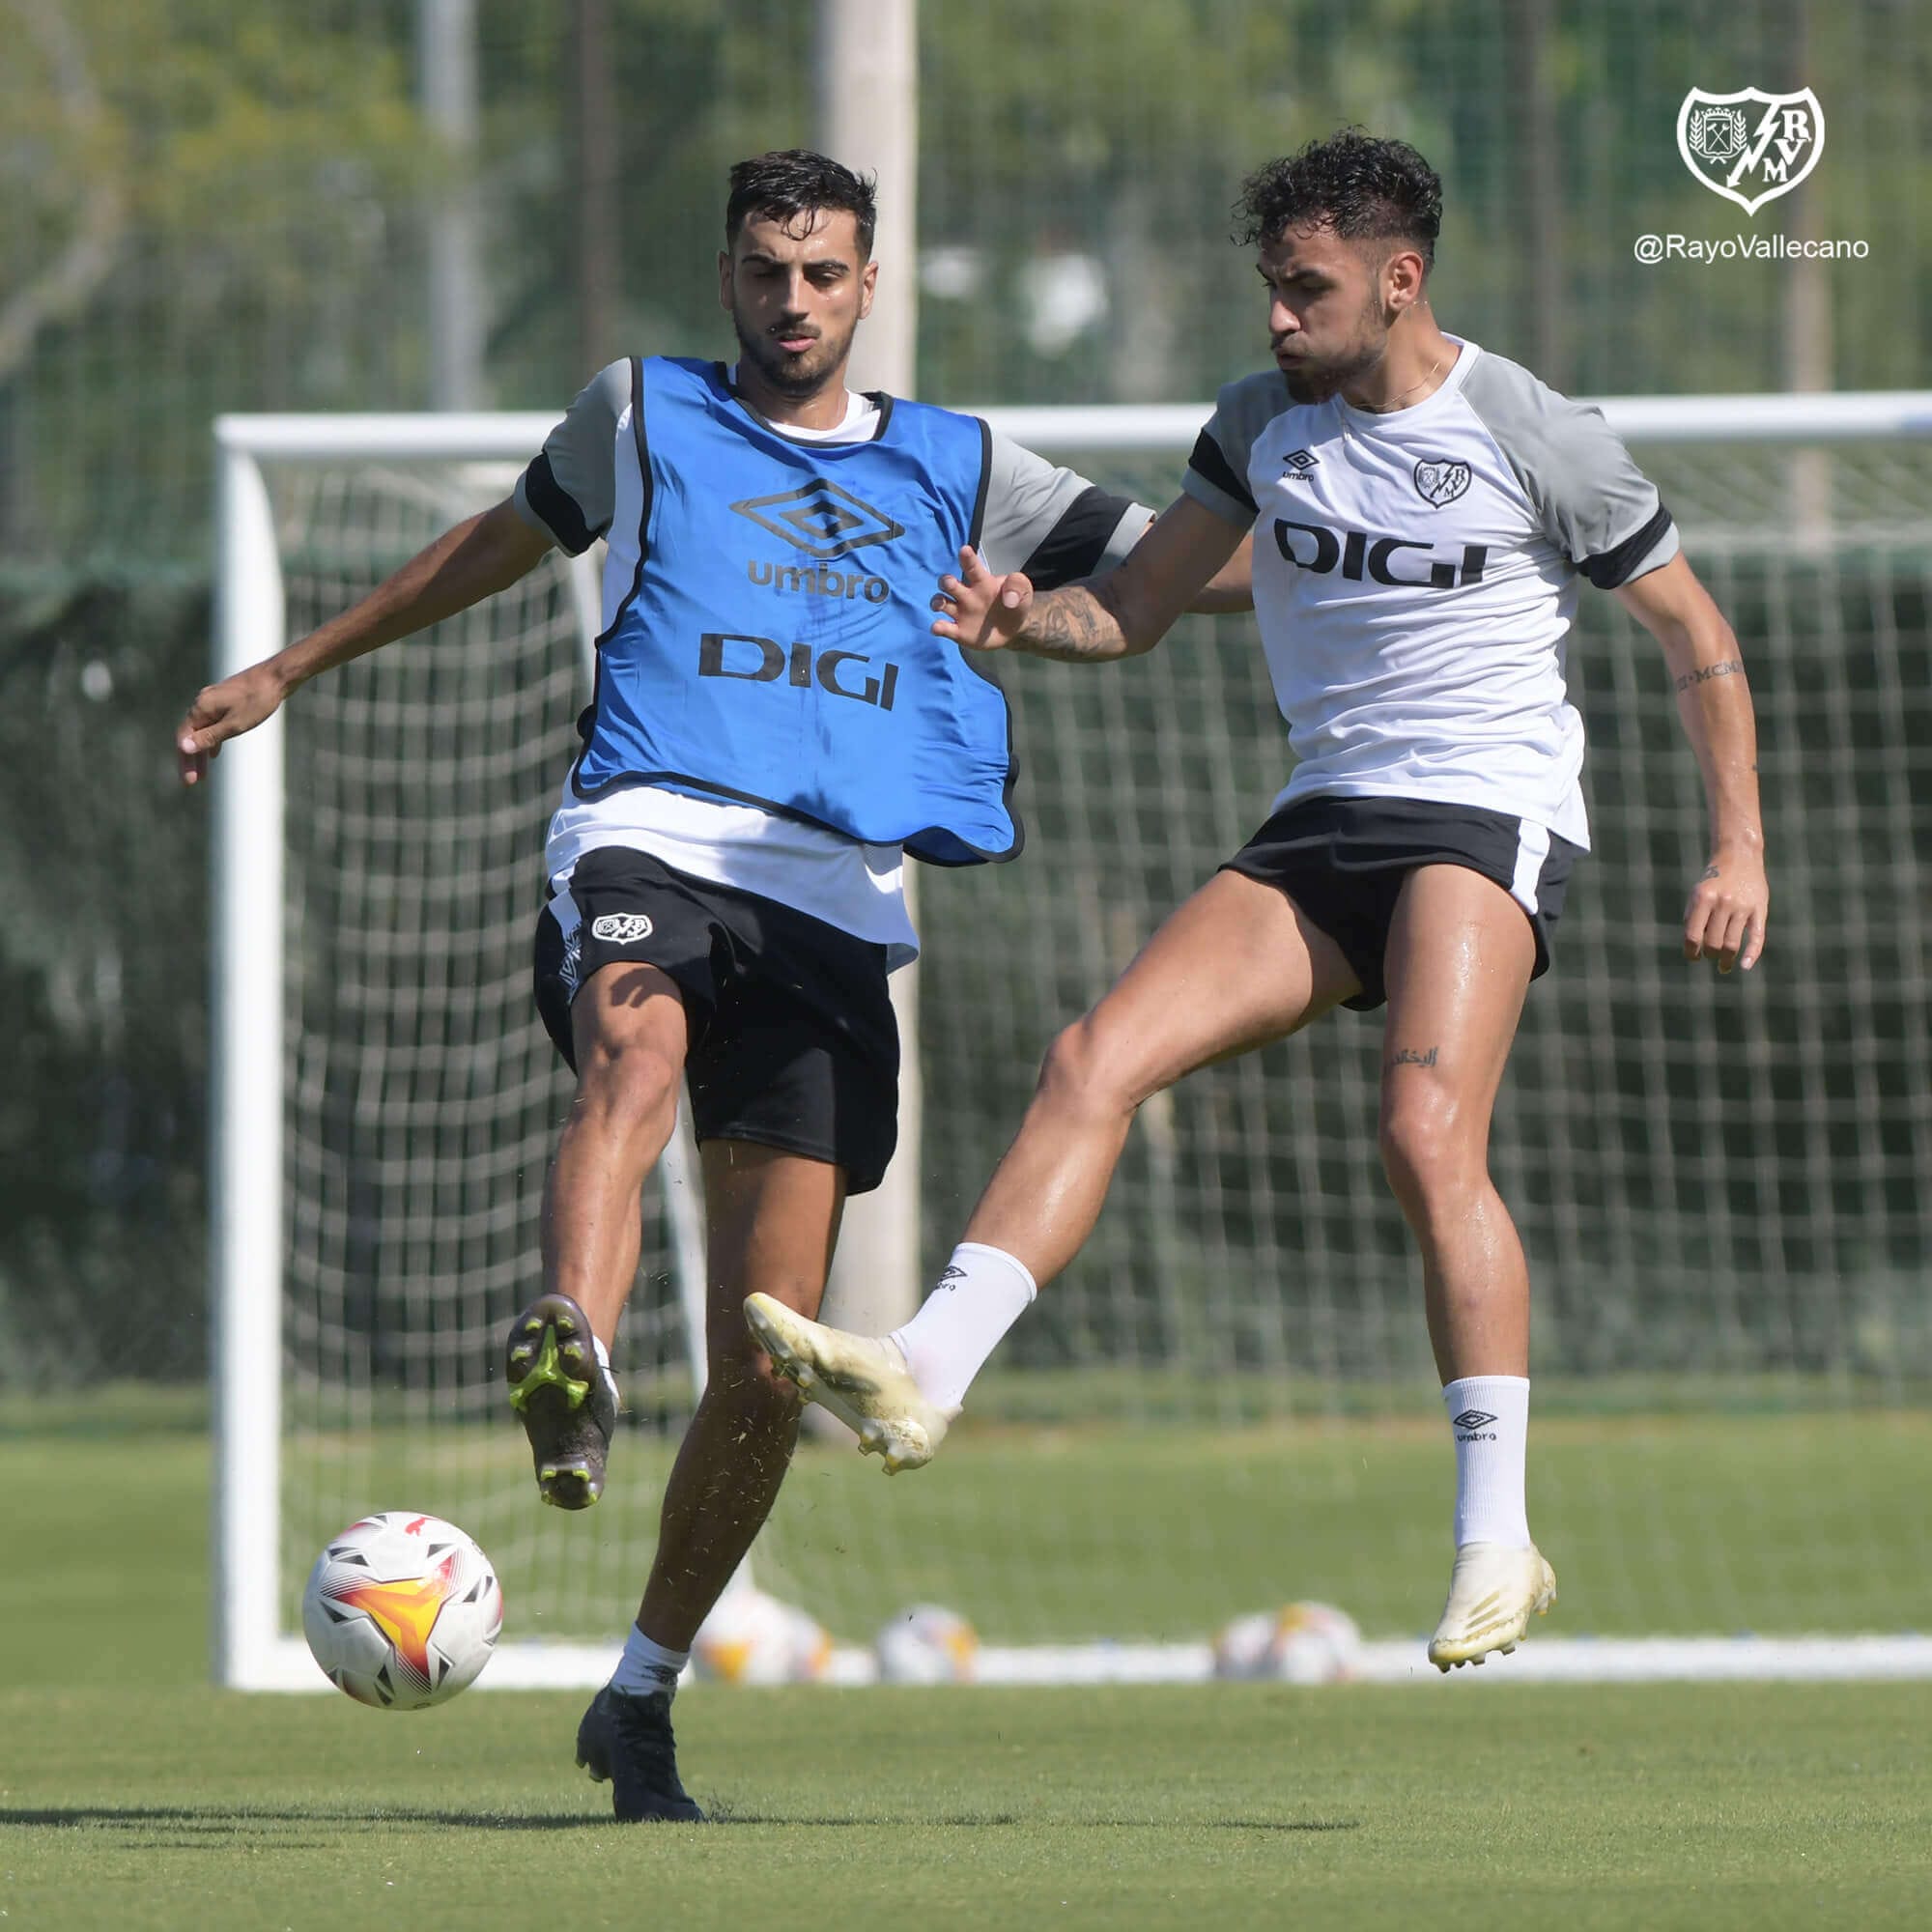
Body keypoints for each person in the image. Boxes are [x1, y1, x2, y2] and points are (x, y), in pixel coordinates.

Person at [176, 149, 1244, 1819]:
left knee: (768, 1355)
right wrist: (288, 666)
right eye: (765, 270)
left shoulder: (965, 464)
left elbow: (1193, 566)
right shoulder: (645, 414)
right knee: (632, 1050)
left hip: (833, 899)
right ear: (728, 273)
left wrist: (1346, 546)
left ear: (871, 282)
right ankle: (574, 1354)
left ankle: (641, 1698)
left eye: (823, 273)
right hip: (652, 832)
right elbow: (490, 546)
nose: (793, 301)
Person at [746, 130, 1770, 1673]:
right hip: (1325, 818)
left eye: (1309, 292)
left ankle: (1498, 1535)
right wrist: (1030, 622)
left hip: (1486, 811)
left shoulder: (1531, 429)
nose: (1279, 321)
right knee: (1094, 1058)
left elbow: (1694, 632)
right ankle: (924, 1372)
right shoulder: (1258, 428)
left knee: (1425, 1133)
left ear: (1400, 280)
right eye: (1270, 290)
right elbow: (1141, 608)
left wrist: (1739, 845)